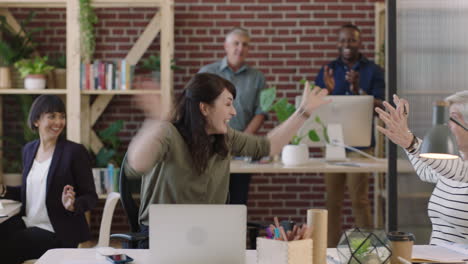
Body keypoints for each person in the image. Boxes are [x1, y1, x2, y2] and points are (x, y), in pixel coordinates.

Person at [125, 73, 329, 248]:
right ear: (205, 108)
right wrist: (157, 119)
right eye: (228, 104)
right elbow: (138, 163)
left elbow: (268, 146)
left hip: (210, 236)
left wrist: (304, 111)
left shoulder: (225, 137)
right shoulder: (168, 132)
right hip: (163, 238)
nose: (234, 112)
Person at [0, 95, 98, 264]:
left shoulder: (74, 152)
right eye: (52, 116)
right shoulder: (29, 150)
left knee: (9, 246)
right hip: (29, 223)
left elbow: (91, 196)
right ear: (36, 120)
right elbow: (29, 192)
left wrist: (73, 205)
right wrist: (4, 190)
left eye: (62, 116)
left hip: (58, 232)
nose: (58, 122)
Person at [314, 23, 385, 247]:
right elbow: (315, 106)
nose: (347, 45)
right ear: (338, 42)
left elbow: (381, 106)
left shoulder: (373, 70)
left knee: (360, 201)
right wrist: (327, 90)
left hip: (361, 145)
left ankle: (366, 252)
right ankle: (329, 251)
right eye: (343, 40)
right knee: (332, 202)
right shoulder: (328, 70)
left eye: (352, 40)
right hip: (333, 144)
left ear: (359, 42)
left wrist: (358, 92)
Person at [376, 92, 468, 245]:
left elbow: (459, 171)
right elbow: (427, 171)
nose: (447, 126)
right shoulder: (453, 162)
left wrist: (410, 142)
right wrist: (406, 139)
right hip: (437, 258)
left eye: (453, 119)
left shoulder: (455, 167)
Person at [198, 27, 267, 205]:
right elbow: (197, 108)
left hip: (241, 150)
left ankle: (236, 234)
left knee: (237, 201)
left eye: (245, 44)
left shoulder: (257, 77)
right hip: (210, 147)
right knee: (210, 201)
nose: (240, 48)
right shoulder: (208, 72)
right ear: (226, 46)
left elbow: (261, 112)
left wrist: (240, 140)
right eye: (236, 43)